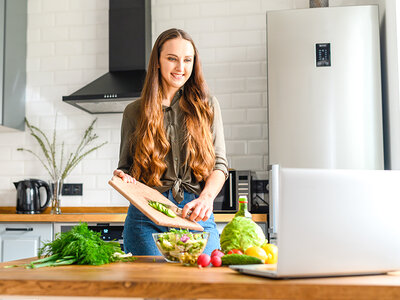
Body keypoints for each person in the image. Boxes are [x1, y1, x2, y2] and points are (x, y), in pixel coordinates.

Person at [113, 28, 228, 256]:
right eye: (172, 59)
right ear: (157, 61)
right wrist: (123, 178)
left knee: (206, 288)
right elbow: (126, 170)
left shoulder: (208, 106)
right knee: (154, 291)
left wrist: (206, 198)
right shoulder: (134, 112)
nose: (180, 68)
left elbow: (220, 166)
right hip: (146, 219)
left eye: (187, 60)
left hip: (195, 214)